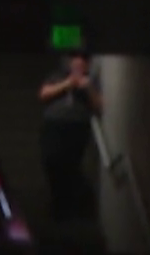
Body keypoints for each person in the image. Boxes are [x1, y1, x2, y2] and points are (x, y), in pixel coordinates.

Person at [35, 50, 101, 221]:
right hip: (54, 124)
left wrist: (88, 88)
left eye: (83, 61)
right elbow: (43, 94)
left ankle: (68, 208)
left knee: (70, 166)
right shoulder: (58, 76)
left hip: (77, 127)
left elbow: (98, 106)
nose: (79, 63)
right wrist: (67, 84)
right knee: (51, 161)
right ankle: (60, 204)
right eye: (75, 60)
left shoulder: (91, 81)